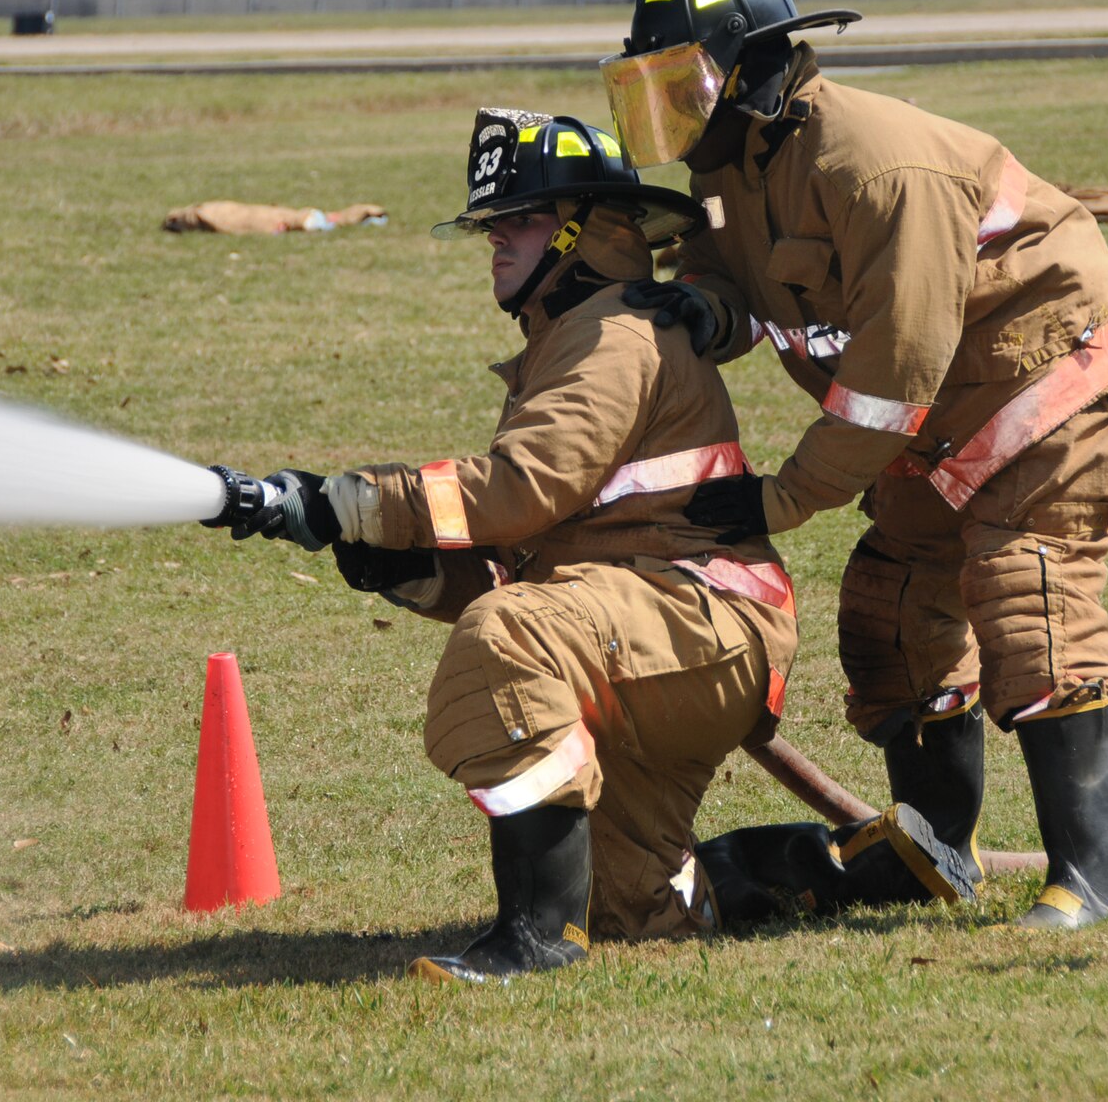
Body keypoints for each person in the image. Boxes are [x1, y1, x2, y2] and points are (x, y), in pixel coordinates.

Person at [207, 108, 975, 984]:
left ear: (582, 231)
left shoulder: (611, 334)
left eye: (518, 222)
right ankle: (843, 869)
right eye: (490, 226)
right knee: (634, 910)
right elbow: (540, 554)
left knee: (510, 640)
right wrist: (415, 572)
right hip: (657, 635)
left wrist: (345, 501)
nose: (496, 242)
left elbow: (519, 488)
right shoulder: (568, 339)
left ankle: (534, 937)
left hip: (696, 617)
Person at [599, 0, 1108, 930]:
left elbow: (893, 368)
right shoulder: (732, 168)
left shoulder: (871, 164)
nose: (669, 116)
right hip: (938, 416)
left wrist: (780, 495)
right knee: (892, 609)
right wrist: (697, 310)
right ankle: (936, 848)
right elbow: (737, 275)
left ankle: (1095, 874)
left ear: (747, 67)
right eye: (648, 90)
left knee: (1026, 587)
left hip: (1035, 378)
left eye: (681, 84)